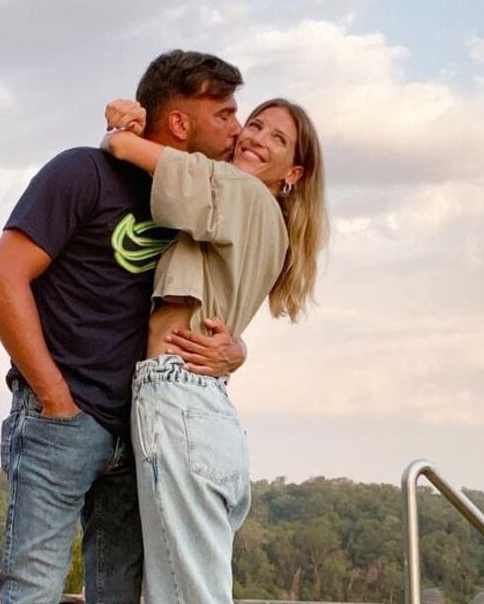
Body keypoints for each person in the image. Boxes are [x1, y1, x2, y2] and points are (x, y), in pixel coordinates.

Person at [0, 50, 249, 604]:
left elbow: (204, 304)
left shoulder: (193, 207)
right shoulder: (84, 171)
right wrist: (55, 398)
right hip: (63, 423)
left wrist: (236, 349)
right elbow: (1, 280)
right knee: (32, 590)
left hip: (143, 434)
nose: (237, 129)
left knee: (121, 594)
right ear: (178, 121)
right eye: (223, 113)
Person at [101, 94, 328, 603]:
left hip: (180, 400)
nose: (256, 138)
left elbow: (127, 152)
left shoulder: (238, 194)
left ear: (294, 172)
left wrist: (125, 130)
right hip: (207, 409)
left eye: (278, 138)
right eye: (255, 124)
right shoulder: (259, 217)